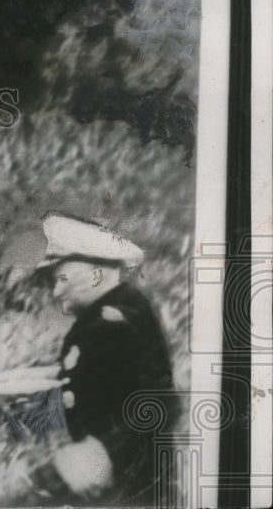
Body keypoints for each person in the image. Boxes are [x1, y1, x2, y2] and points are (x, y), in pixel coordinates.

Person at [27, 213, 177, 505]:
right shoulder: (112, 316)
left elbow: (157, 399)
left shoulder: (116, 322)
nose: (56, 292)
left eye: (61, 278)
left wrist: (106, 452)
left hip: (128, 490)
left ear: (95, 274)